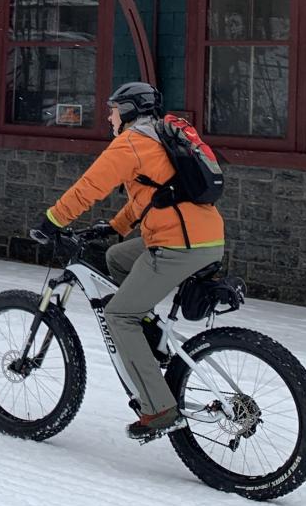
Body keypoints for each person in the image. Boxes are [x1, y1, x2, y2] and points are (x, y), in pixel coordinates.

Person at [32, 82, 225, 440]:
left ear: (130, 110)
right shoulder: (165, 133)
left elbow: (88, 188)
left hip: (178, 245)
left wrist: (52, 222)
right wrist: (114, 227)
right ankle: (147, 335)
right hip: (206, 238)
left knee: (118, 315)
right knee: (117, 257)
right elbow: (158, 194)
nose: (109, 116)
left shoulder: (131, 142)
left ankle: (160, 410)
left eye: (113, 108)